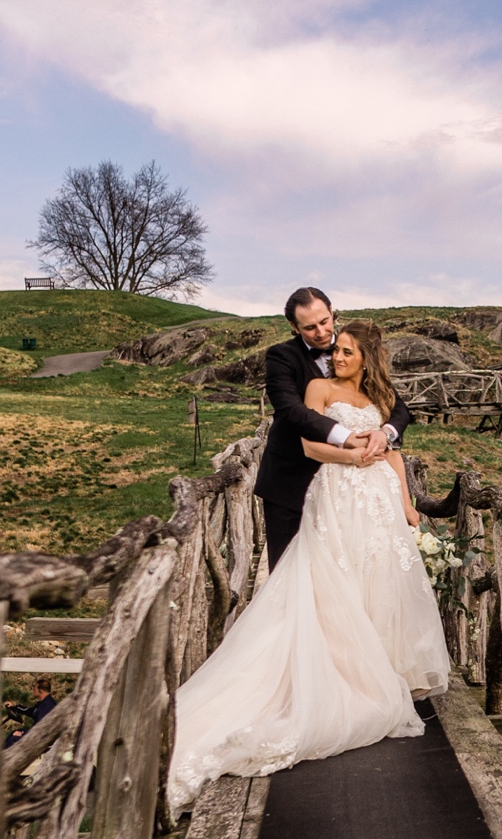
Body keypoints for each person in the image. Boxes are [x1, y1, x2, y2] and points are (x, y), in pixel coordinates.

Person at [167, 319, 450, 809]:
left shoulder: (381, 398)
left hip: (378, 500)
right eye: (336, 350)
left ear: (367, 358)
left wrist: (407, 503)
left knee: (380, 577)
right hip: (337, 490)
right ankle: (343, 672)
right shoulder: (319, 387)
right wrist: (352, 456)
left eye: (346, 352)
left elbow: (395, 453)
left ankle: (384, 666)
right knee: (334, 577)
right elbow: (310, 445)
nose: (337, 357)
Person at [255, 286, 414, 567]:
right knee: (289, 571)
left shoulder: (356, 351)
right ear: (294, 327)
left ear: (332, 312)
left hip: (350, 492)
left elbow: (397, 407)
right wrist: (348, 438)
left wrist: (385, 433)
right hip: (291, 483)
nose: (320, 332)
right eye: (309, 327)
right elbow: (292, 412)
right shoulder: (281, 357)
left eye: (324, 321)